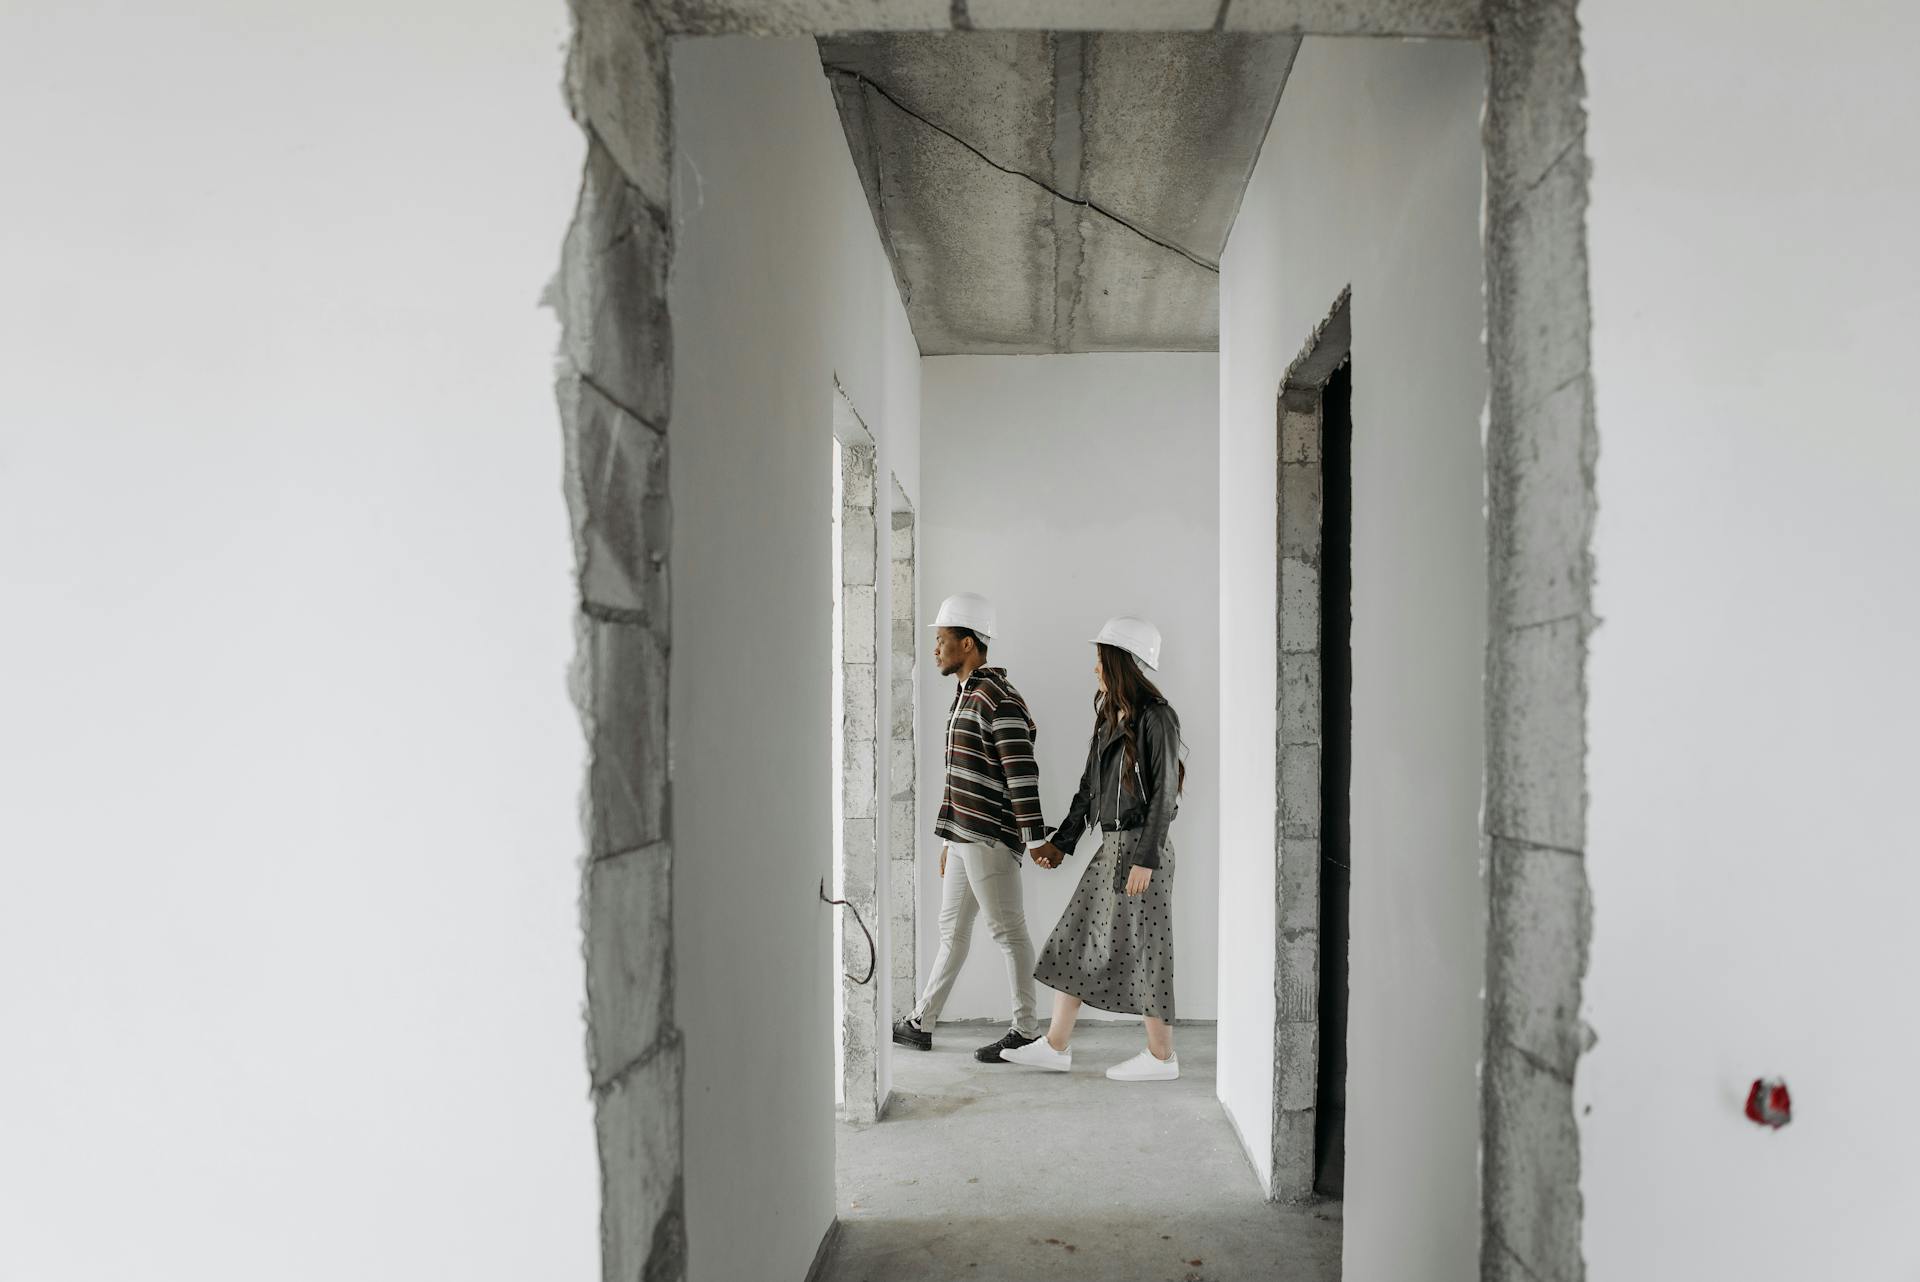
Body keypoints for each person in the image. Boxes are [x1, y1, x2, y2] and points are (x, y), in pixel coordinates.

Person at [1003, 616, 1186, 1082]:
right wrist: (1062, 844)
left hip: (1142, 850)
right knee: (1077, 938)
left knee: (1148, 949)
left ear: (1119, 661)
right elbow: (1089, 787)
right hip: (1112, 848)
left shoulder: (1156, 715)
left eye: (1100, 659)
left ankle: (1162, 1058)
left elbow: (1166, 790)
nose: (1094, 669)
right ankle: (1055, 1046)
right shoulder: (1110, 715)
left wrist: (1146, 856)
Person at [892, 592, 1052, 1064]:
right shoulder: (967, 695)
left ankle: (1025, 1030)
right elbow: (957, 771)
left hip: (989, 838)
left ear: (968, 643)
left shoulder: (998, 698)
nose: (935, 650)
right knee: (952, 933)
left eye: (942, 641)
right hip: (964, 836)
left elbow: (1022, 771)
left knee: (1008, 932)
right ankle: (922, 1022)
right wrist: (948, 836)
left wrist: (1034, 836)